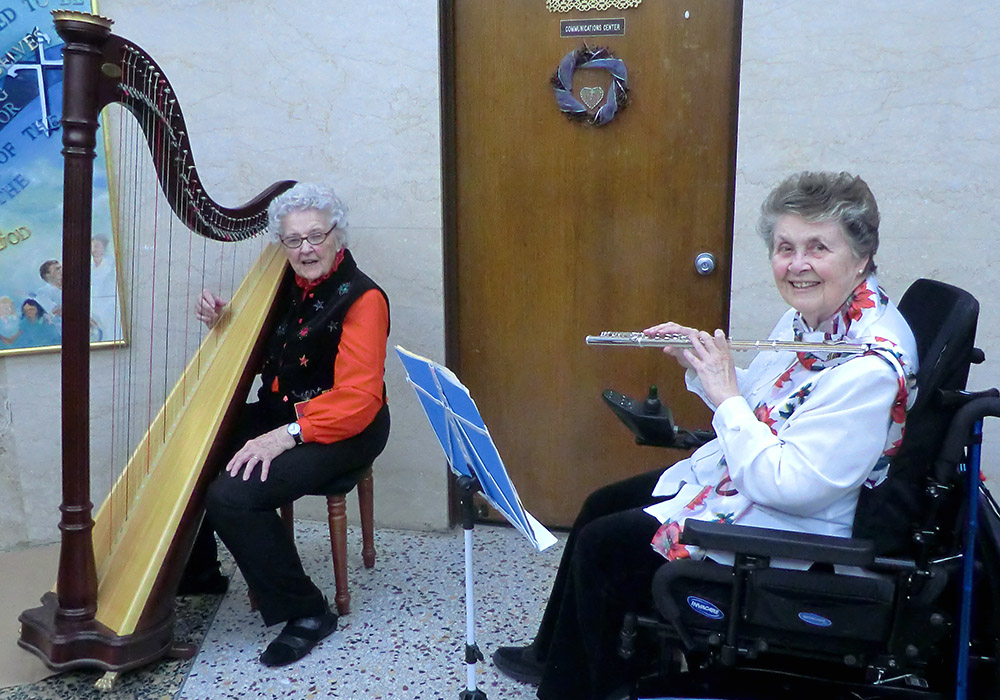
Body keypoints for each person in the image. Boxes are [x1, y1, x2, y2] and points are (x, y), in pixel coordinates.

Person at [491, 171, 919, 700]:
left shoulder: (870, 367)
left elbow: (786, 483)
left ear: (861, 255)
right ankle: (556, 657)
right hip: (760, 481)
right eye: (785, 247)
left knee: (608, 548)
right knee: (603, 503)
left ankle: (584, 687)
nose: (797, 264)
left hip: (797, 523)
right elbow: (760, 402)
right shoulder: (814, 321)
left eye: (818, 247)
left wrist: (724, 393)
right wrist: (698, 363)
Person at [184, 182, 391, 667]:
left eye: (316, 235)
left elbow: (358, 400)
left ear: (338, 236)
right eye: (294, 240)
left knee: (232, 495)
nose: (306, 249)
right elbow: (269, 346)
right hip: (284, 415)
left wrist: (283, 436)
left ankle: (308, 612)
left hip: (343, 429)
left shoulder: (363, 299)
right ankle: (197, 572)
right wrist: (222, 319)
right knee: (199, 445)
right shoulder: (284, 286)